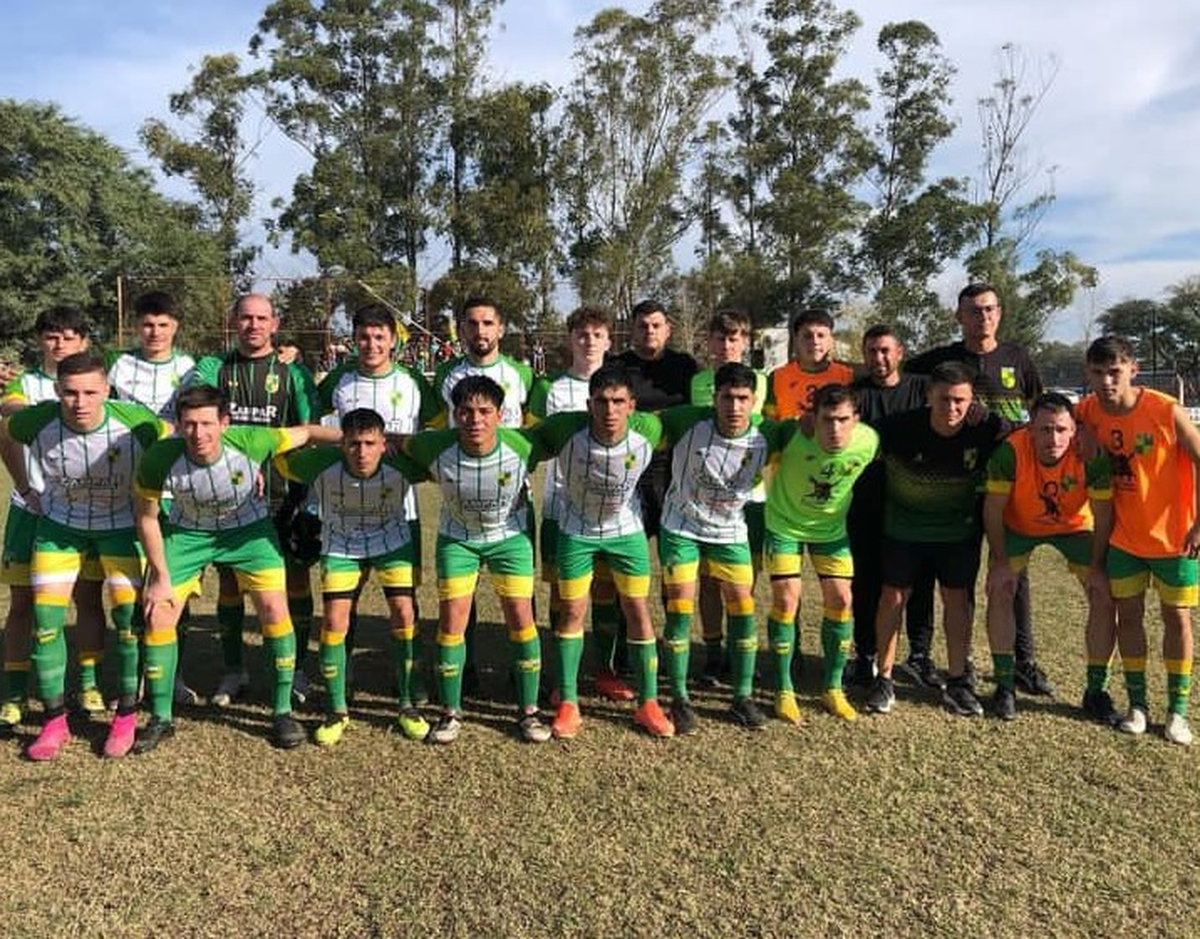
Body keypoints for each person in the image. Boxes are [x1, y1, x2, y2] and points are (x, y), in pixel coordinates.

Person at [132, 384, 340, 753]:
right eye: (190, 424)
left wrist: (358, 437)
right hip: (187, 533)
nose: (199, 433)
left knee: (276, 610)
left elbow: (306, 432)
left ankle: (281, 711)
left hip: (248, 534)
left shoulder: (252, 440)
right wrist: (160, 578)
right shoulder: (160, 457)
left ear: (225, 423)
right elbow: (147, 519)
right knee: (159, 615)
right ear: (178, 425)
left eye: (207, 423)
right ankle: (161, 718)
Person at [0, 353, 167, 760]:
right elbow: (6, 423)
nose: (80, 402)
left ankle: (126, 716)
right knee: (46, 621)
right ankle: (54, 722)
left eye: (91, 392)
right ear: (57, 391)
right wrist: (25, 486)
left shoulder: (138, 422)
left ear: (106, 391)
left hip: (119, 529)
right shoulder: (35, 421)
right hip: (59, 529)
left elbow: (179, 442)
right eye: (70, 393)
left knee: (128, 621)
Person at [905, 283, 1052, 696]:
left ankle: (1024, 662)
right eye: (973, 311)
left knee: (1014, 576)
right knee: (956, 575)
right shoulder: (944, 360)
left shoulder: (1018, 358)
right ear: (959, 317)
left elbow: (1041, 412)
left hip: (1011, 483)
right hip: (960, 483)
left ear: (999, 314)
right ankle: (951, 660)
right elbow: (897, 372)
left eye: (988, 309)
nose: (982, 317)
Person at [400, 375, 550, 745]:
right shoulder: (433, 445)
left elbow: (569, 434)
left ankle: (529, 711)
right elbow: (392, 443)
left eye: (485, 411)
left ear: (501, 415)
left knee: (521, 617)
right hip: (458, 542)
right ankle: (450, 713)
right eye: (465, 412)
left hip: (509, 540)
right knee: (452, 621)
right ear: (454, 416)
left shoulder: (524, 445)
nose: (475, 420)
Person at [190, 293, 321, 707]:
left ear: (275, 323)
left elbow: (307, 429)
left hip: (285, 493)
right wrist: (245, 459)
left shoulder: (293, 373)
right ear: (233, 321)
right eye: (246, 317)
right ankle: (234, 670)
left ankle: (296, 669)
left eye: (262, 318)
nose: (253, 325)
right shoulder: (214, 368)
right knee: (230, 580)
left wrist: (271, 461)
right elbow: (195, 412)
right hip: (227, 492)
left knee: (295, 579)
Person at [532, 363, 675, 739]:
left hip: (626, 531)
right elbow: (518, 442)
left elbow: (695, 419)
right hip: (576, 530)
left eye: (617, 402)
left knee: (637, 609)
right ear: (588, 403)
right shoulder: (564, 429)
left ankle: (648, 703)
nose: (609, 411)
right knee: (573, 609)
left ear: (632, 406)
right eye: (601, 402)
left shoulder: (651, 428)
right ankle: (569, 703)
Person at [276, 408, 428, 745]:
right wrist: (321, 435)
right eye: (354, 444)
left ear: (383, 444)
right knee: (334, 620)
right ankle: (337, 710)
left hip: (392, 542)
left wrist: (402, 442)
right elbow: (279, 453)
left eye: (370, 443)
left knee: (404, 612)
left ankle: (407, 705)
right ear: (342, 443)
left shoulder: (401, 464)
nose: (362, 452)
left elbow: (434, 457)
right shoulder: (319, 463)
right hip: (342, 545)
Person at [1075, 336, 1200, 745]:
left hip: (1175, 539)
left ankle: (1178, 713)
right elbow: (1058, 417)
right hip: (1124, 540)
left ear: (1134, 369)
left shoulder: (1165, 409)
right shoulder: (1088, 409)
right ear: (1088, 374)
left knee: (1176, 618)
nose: (1107, 381)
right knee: (1127, 617)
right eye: (1098, 373)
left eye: (1115, 371)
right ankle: (1139, 705)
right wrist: (1079, 429)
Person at [865, 362, 1008, 718]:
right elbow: (854, 434)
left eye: (961, 400)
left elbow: (1021, 435)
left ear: (971, 400)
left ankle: (958, 680)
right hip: (903, 530)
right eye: (944, 398)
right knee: (892, 596)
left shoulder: (985, 427)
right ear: (929, 396)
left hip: (957, 533)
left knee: (957, 601)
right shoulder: (898, 427)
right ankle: (882, 677)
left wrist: (994, 419)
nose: (952, 408)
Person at [317, 304, 437, 688]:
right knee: (343, 598)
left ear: (393, 340)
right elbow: (305, 417)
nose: (371, 344)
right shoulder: (339, 378)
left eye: (379, 336)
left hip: (402, 508)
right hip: (343, 507)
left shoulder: (414, 381)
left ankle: (410, 675)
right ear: (354, 339)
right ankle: (343, 666)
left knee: (403, 597)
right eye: (364, 337)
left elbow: (435, 431)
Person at [0, 307, 107, 731]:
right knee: (24, 603)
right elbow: (9, 420)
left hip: (85, 512)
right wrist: (27, 487)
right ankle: (12, 695)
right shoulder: (25, 384)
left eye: (68, 336)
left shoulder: (94, 381)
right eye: (50, 336)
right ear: (41, 341)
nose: (59, 343)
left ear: (83, 341)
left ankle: (89, 684)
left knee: (88, 598)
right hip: (34, 508)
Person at [982, 392, 1115, 721]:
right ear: (1030, 429)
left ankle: (1096, 690)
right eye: (1044, 430)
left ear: (1074, 430)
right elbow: (993, 510)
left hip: (1074, 528)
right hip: (1018, 528)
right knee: (999, 590)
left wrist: (1097, 568)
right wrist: (999, 563)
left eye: (1060, 429)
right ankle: (1004, 686)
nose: (1052, 438)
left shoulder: (1091, 455)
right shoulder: (1010, 451)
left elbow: (1103, 515)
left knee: (1104, 595)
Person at [661, 362, 777, 731]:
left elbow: (811, 431)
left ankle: (741, 696)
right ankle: (679, 699)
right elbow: (638, 421)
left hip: (730, 532)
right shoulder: (685, 421)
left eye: (743, 398)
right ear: (714, 398)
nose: (735, 406)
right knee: (679, 606)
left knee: (743, 607)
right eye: (727, 397)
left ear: (754, 401)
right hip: (681, 526)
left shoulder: (770, 434)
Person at [526, 306, 632, 702]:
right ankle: (560, 677)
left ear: (609, 340)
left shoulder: (622, 388)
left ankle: (605, 671)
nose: (589, 341)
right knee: (563, 595)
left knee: (606, 591)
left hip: (610, 513)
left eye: (597, 334)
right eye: (581, 334)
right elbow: (533, 441)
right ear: (570, 339)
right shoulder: (548, 388)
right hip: (561, 509)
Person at [431, 297, 534, 691]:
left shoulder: (522, 375)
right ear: (461, 329)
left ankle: (521, 671)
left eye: (488, 323)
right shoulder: (445, 375)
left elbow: (533, 434)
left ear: (501, 329)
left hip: (513, 501)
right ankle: (466, 666)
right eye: (471, 323)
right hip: (462, 500)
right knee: (461, 595)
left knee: (520, 594)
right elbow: (436, 430)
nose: (480, 331)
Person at [106, 290, 201, 706]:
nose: (155, 332)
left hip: (176, 492)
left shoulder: (190, 368)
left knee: (173, 586)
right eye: (148, 325)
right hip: (129, 489)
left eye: (164, 325)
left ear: (176, 327)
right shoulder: (120, 366)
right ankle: (133, 681)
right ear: (136, 326)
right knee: (129, 592)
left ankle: (173, 676)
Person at [763, 383, 878, 724]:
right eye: (827, 419)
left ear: (856, 419)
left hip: (831, 532)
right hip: (784, 524)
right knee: (786, 601)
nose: (835, 428)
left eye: (843, 420)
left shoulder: (869, 440)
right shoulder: (791, 433)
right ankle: (783, 689)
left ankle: (833, 688)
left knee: (842, 600)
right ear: (812, 418)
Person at [845, 325, 935, 688]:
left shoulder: (921, 389)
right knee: (865, 582)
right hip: (866, 503)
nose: (878, 359)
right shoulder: (857, 396)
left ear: (899, 352)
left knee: (920, 583)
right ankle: (865, 654)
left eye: (884, 351)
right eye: (871, 352)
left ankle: (919, 655)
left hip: (915, 504)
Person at [688, 310, 768, 688]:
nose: (727, 346)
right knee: (706, 580)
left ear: (746, 342)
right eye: (720, 339)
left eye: (734, 338)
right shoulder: (697, 382)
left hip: (750, 498)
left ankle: (740, 651)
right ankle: (712, 651)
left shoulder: (764, 383)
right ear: (709, 342)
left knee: (743, 581)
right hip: (704, 499)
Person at [763, 308, 855, 421]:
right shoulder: (777, 377)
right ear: (796, 341)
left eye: (821, 336)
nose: (815, 342)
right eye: (807, 336)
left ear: (831, 341)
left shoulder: (847, 377)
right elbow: (770, 421)